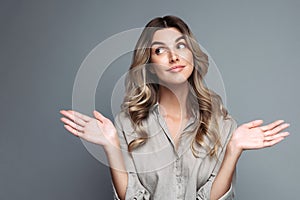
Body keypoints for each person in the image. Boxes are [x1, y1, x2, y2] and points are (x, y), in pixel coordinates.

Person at [60, 15, 290, 200]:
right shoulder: (127, 123)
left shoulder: (222, 124)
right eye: (159, 50)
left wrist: (234, 149)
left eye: (181, 46)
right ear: (149, 66)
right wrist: (111, 146)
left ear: (192, 55)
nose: (173, 57)